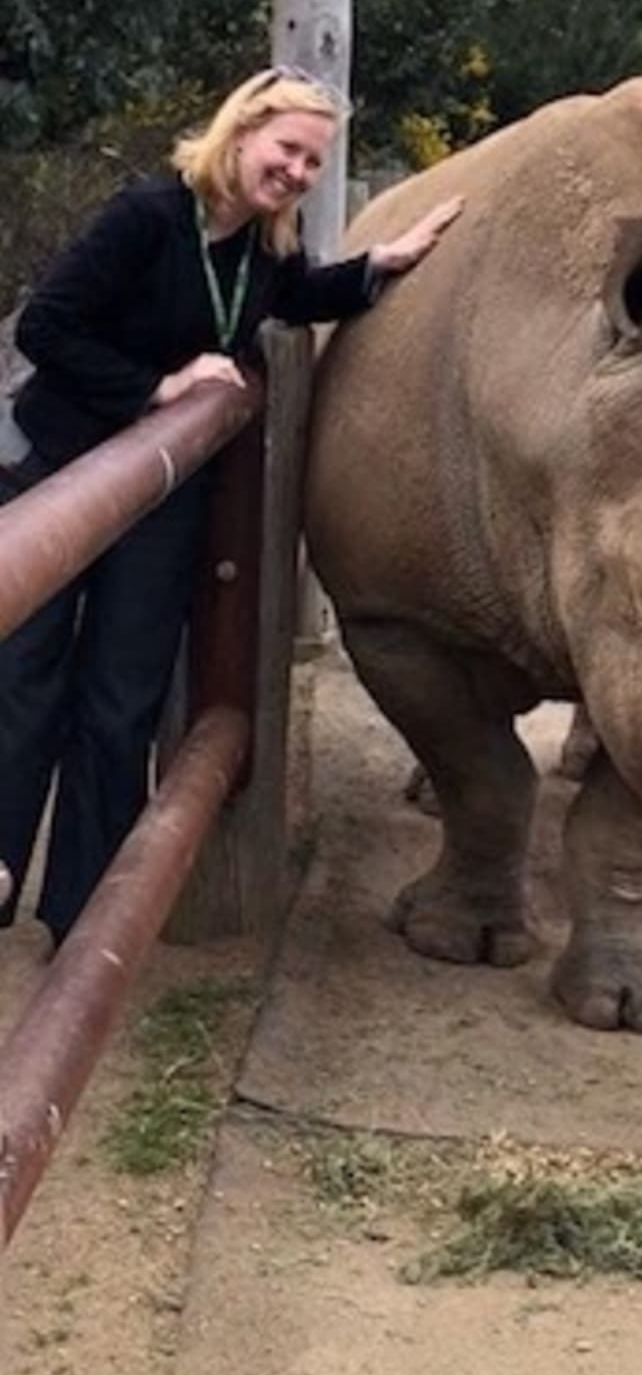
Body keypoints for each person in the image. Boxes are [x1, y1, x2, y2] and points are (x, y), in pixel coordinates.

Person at [0, 66, 460, 945]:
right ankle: (1, 863)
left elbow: (303, 296)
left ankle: (83, 907)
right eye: (288, 149)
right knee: (24, 679)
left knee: (123, 695)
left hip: (166, 494)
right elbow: (47, 327)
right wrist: (156, 386)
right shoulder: (148, 217)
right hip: (62, 466)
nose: (295, 172)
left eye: (312, 164)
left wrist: (384, 266)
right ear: (242, 131)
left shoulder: (264, 248)